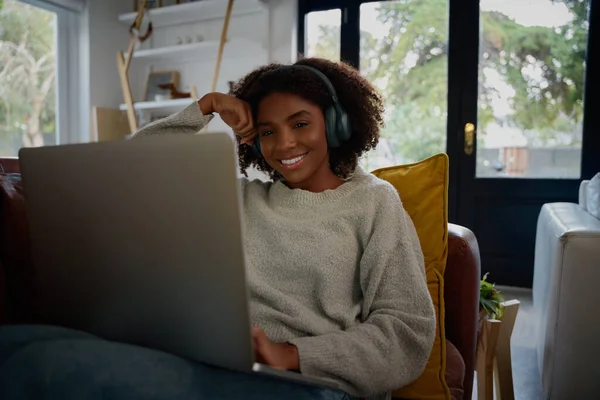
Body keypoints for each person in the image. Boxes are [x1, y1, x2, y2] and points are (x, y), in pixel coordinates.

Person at [0, 58, 435, 400]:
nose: (284, 144)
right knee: (18, 344)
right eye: (268, 131)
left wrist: (294, 355)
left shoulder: (373, 200)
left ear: (337, 124)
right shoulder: (241, 197)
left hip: (311, 386)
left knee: (49, 367)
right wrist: (204, 109)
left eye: (300, 123)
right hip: (213, 363)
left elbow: (406, 331)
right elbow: (125, 177)